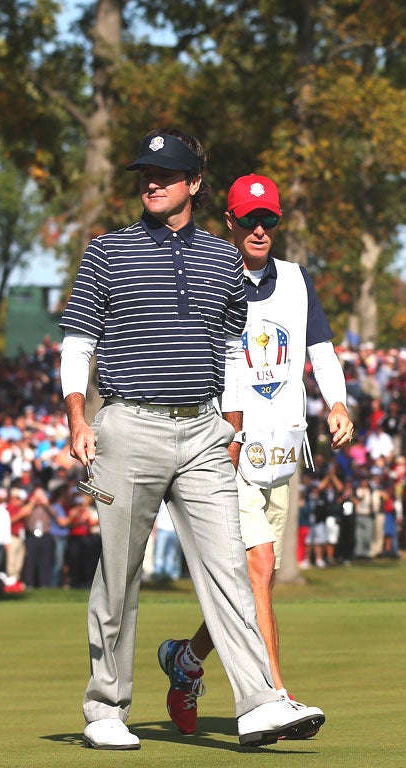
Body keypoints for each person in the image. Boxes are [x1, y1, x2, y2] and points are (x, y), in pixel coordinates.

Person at [58, 131, 324, 750]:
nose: (152, 182)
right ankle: (105, 708)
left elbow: (232, 346)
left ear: (194, 184)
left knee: (231, 566)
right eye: (145, 173)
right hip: (128, 425)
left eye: (166, 173)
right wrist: (77, 415)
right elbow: (78, 343)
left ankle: (257, 703)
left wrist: (230, 424)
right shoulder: (107, 253)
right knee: (119, 574)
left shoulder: (220, 258)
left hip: (204, 428)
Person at [160, 173, 353, 736]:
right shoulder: (209, 276)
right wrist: (222, 426)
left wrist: (336, 404)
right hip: (227, 450)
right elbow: (206, 361)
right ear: (231, 222)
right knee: (259, 568)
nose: (260, 229)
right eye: (250, 219)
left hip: (283, 451)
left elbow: (321, 350)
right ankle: (272, 694)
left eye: (268, 219)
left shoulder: (296, 280)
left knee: (252, 584)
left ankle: (187, 659)